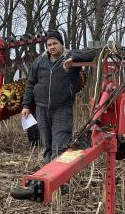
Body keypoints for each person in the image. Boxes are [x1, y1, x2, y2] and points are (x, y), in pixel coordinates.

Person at [21, 30, 96, 163]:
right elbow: (30, 83)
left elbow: (91, 53)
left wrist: (73, 57)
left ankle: (60, 181)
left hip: (62, 109)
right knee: (47, 146)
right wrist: (26, 105)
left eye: (55, 43)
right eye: (49, 44)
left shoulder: (69, 58)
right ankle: (48, 177)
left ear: (61, 44)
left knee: (60, 147)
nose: (52, 47)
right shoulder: (39, 61)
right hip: (42, 109)